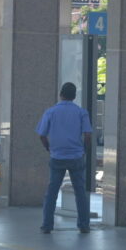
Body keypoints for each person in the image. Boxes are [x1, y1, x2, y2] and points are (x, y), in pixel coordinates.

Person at [37, 82, 93, 234]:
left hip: (57, 156)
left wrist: (48, 147)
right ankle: (84, 225)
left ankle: (47, 225)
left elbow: (42, 134)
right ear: (74, 96)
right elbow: (88, 134)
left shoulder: (50, 112)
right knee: (80, 191)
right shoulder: (82, 112)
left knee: (52, 191)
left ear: (61, 94)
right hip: (76, 156)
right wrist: (84, 149)